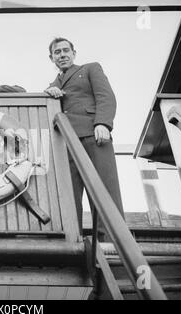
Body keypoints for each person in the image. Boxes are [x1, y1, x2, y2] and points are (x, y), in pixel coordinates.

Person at [45, 37, 124, 241]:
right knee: (68, 192)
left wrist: (103, 123)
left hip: (92, 134)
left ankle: (111, 239)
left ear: (73, 53)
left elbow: (106, 96)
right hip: (65, 142)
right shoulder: (52, 85)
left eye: (65, 51)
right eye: (57, 52)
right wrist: (49, 94)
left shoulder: (90, 68)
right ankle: (73, 237)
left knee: (104, 185)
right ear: (51, 58)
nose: (62, 55)